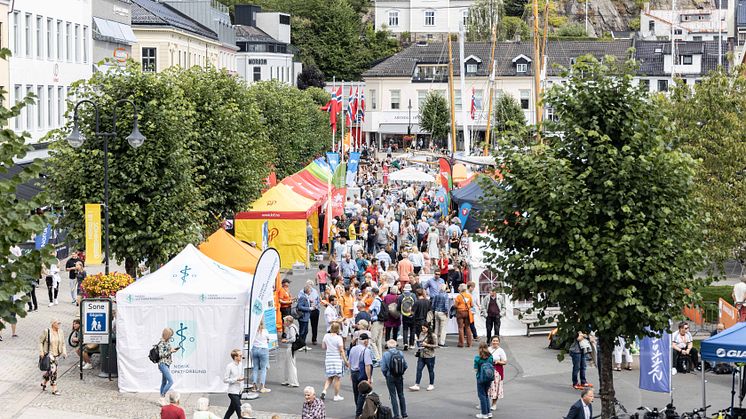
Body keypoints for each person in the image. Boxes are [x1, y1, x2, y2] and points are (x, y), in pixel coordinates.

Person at [380, 340, 408, 419]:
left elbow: (383, 368)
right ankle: (404, 413)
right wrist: (401, 373)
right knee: (401, 394)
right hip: (399, 376)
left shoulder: (386, 354)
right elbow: (405, 365)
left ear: (388, 346)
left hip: (390, 376)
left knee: (393, 395)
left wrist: (386, 375)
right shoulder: (400, 353)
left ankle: (396, 415)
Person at [321, 322, 348, 402]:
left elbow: (323, 347)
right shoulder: (339, 338)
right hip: (337, 359)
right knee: (337, 378)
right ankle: (336, 395)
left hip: (328, 358)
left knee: (330, 377)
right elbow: (341, 350)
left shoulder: (326, 336)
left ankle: (324, 391)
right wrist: (345, 361)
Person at [39, 319, 67, 395]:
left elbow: (63, 343)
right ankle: (54, 388)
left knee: (51, 370)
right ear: (53, 324)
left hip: (57, 354)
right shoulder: (46, 331)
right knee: (54, 370)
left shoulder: (61, 332)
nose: (58, 325)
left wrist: (64, 352)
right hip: (49, 353)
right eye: (57, 323)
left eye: (59, 323)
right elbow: (40, 342)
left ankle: (44, 382)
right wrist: (41, 352)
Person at [349, 333, 374, 417]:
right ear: (365, 341)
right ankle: (359, 413)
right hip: (361, 373)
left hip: (353, 372)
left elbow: (350, 362)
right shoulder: (366, 351)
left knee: (356, 392)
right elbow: (367, 365)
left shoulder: (353, 349)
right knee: (362, 393)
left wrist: (350, 373)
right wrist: (369, 378)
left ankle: (358, 408)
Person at [410, 323, 437, 392]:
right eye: (422, 328)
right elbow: (420, 343)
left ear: (428, 328)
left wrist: (426, 345)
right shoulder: (421, 334)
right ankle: (417, 384)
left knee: (430, 370)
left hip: (430, 356)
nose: (423, 330)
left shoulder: (433, 335)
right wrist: (418, 349)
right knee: (419, 370)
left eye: (424, 328)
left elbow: (436, 345)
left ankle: (431, 384)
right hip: (421, 355)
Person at [157, 327, 179, 405]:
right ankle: (162, 397)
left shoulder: (167, 342)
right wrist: (170, 351)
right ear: (167, 335)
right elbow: (161, 355)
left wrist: (172, 350)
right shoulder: (161, 343)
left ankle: (161, 399)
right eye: (170, 335)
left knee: (164, 382)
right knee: (170, 381)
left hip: (167, 363)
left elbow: (167, 351)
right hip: (162, 364)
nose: (171, 337)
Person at [474, 342, 494, 419]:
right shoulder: (490, 356)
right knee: (486, 394)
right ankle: (489, 413)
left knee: (481, 395)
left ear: (479, 348)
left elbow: (476, 369)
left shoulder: (477, 358)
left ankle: (484, 413)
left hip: (480, 378)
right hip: (489, 378)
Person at [250, 320, 271, 393]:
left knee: (255, 368)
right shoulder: (265, 331)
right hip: (263, 350)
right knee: (263, 369)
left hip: (255, 349)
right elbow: (268, 339)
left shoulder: (253, 331)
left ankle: (254, 385)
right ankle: (262, 386)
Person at [487, 336, 507, 411]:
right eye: (493, 340)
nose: (495, 342)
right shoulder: (488, 349)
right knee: (486, 387)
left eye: (496, 341)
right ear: (491, 341)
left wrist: (498, 362)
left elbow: (505, 362)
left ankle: (494, 404)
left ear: (499, 342)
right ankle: (484, 402)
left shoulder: (501, 350)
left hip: (497, 371)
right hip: (488, 370)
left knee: (496, 387)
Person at [223, 349, 244, 419]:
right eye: (240, 356)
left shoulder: (241, 364)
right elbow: (225, 380)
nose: (241, 357)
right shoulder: (229, 366)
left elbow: (241, 375)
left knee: (231, 409)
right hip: (232, 391)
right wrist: (236, 379)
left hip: (239, 391)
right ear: (235, 357)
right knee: (239, 409)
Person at [281, 316, 300, 388]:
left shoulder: (291, 328)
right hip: (291, 347)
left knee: (291, 364)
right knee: (288, 364)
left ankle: (294, 382)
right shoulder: (292, 327)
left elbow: (293, 339)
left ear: (288, 322)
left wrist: (286, 340)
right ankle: (288, 380)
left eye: (285, 321)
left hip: (291, 347)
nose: (284, 323)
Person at [397, 284, 416, 350]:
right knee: (412, 330)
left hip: (404, 314)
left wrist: (400, 312)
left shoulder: (401, 296)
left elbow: (398, 306)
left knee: (405, 329)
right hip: (412, 314)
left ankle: (405, 343)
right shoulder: (413, 295)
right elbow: (415, 305)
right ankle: (412, 344)